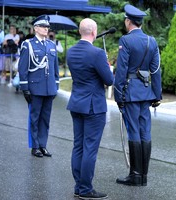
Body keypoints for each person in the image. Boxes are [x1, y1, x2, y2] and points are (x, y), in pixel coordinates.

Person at [114, 5, 162, 187]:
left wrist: (118, 96)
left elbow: (121, 71)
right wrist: (157, 95)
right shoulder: (152, 41)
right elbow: (156, 70)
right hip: (146, 92)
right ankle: (144, 176)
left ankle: (135, 175)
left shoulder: (126, 41)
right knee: (145, 131)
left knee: (134, 131)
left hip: (130, 93)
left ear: (128, 21)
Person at [66, 18, 114, 199]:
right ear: (94, 32)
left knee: (78, 146)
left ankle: (79, 186)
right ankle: (86, 189)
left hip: (77, 103)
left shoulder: (71, 52)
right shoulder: (97, 53)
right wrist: (108, 67)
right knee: (90, 148)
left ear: (81, 31)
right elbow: (109, 80)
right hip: (93, 106)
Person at [18, 15, 59, 158]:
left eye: (47, 27)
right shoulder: (28, 45)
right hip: (35, 88)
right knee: (34, 118)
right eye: (43, 26)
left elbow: (55, 69)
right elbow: (23, 68)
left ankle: (43, 145)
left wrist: (56, 86)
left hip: (49, 88)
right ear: (36, 28)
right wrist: (25, 88)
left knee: (45, 119)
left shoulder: (51, 45)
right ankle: (35, 146)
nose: (46, 29)